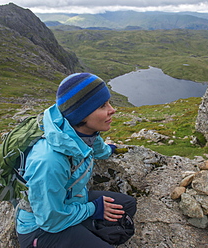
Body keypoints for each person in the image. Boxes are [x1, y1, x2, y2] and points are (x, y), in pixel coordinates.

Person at [16, 73, 137, 248]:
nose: (113, 110)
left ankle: (86, 232)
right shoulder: (49, 162)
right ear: (82, 114)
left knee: (128, 205)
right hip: (41, 229)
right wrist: (93, 209)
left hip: (71, 201)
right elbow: (50, 220)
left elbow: (96, 147)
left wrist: (109, 149)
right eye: (103, 106)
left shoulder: (83, 132)